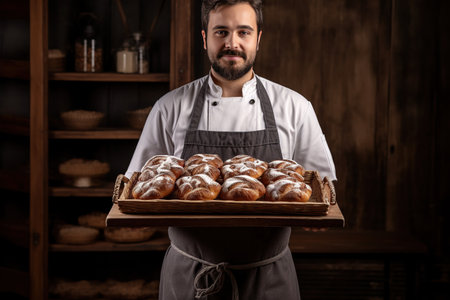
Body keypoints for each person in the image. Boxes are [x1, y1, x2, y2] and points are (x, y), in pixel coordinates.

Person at [126, 0, 337, 299]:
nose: (232, 43)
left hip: (269, 278)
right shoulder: (169, 108)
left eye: (243, 32)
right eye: (221, 32)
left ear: (258, 39)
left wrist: (317, 217)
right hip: (190, 276)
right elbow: (139, 185)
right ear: (204, 38)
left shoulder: (295, 107)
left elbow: (323, 190)